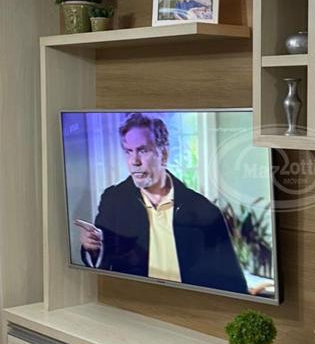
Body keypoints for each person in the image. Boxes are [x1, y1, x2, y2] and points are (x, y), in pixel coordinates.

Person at [77, 112, 248, 294]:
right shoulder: (114, 200)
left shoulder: (204, 211)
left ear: (164, 154)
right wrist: (92, 247)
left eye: (143, 150)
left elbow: (233, 284)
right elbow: (103, 264)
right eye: (128, 151)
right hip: (132, 302)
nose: (134, 161)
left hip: (190, 305)